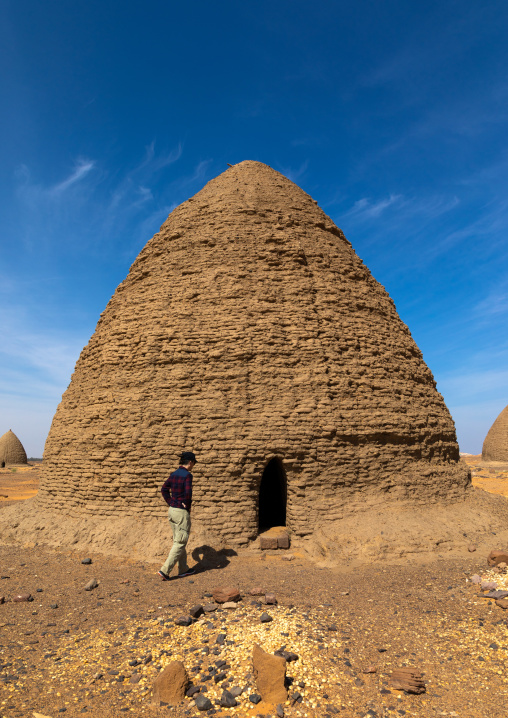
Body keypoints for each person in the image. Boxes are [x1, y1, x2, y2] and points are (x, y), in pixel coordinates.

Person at [158, 451, 197, 580]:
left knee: (178, 539)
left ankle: (183, 568)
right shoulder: (187, 475)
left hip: (172, 510)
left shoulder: (174, 474)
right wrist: (187, 506)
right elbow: (188, 494)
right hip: (180, 512)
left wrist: (171, 502)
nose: (193, 466)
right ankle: (165, 570)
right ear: (190, 462)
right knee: (180, 541)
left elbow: (164, 489)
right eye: (193, 463)